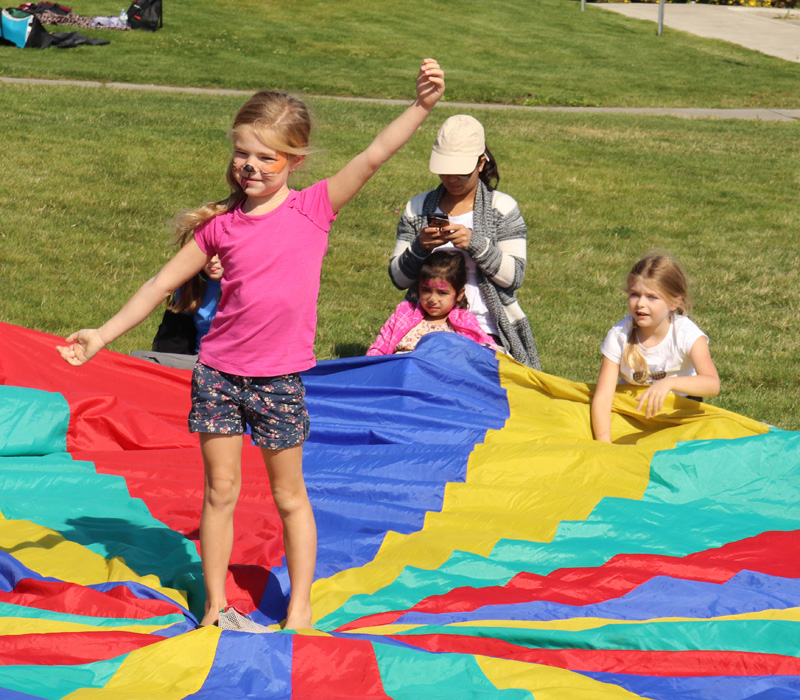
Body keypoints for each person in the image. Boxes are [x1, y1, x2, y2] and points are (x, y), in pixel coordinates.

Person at [56, 58, 445, 630]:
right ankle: (214, 603)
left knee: (290, 497)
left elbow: (374, 155)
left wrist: (421, 106)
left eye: (267, 156)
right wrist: (102, 334)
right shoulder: (220, 227)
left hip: (278, 380)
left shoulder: (314, 209)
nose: (251, 166)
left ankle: (301, 605)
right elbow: (160, 283)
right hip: (217, 375)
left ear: (295, 160)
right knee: (220, 491)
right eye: (244, 153)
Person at [388, 114, 540, 369]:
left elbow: (515, 277)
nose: (451, 179)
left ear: (481, 163)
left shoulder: (501, 207)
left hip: (484, 327)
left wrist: (475, 244)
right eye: (444, 171)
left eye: (460, 172)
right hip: (426, 324)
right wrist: (419, 248)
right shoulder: (417, 207)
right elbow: (398, 279)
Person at [591, 252, 720, 443]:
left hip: (679, 412)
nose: (640, 304)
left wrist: (668, 384)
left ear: (674, 302)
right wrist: (604, 444)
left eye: (652, 297)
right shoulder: (619, 335)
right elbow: (603, 398)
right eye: (635, 294)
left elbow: (712, 384)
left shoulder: (687, 335)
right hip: (632, 410)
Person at [367, 249, 495, 356]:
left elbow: (487, 351)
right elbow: (379, 348)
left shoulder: (465, 321)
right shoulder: (404, 313)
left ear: (459, 294)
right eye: (426, 290)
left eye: (442, 293)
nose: (433, 299)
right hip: (399, 372)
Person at [131, 255, 223, 369]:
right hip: (200, 362)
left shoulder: (245, 287)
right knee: (136, 360)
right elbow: (173, 340)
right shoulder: (193, 285)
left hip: (232, 367)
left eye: (220, 253)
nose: (213, 260)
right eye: (209, 253)